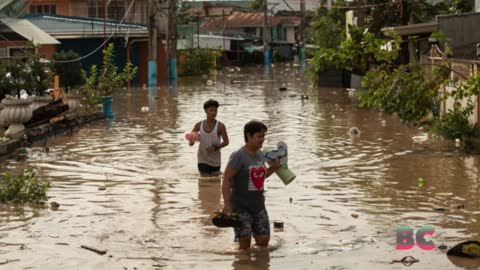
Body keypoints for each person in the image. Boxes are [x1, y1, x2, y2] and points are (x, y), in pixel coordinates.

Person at [221, 120, 281, 250]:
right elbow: (226, 178)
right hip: (241, 206)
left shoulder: (260, 154)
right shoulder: (239, 155)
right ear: (248, 136)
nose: (262, 140)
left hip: (258, 204)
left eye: (263, 136)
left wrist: (274, 168)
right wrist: (227, 204)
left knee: (263, 240)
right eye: (259, 136)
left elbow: (259, 177)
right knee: (244, 245)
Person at [189, 99, 229, 176]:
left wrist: (215, 147)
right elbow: (191, 141)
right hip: (202, 159)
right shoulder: (198, 125)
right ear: (206, 111)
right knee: (205, 180)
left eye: (215, 111)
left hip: (215, 160)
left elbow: (226, 142)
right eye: (211, 110)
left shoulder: (220, 126)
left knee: (215, 182)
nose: (214, 113)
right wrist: (191, 141)